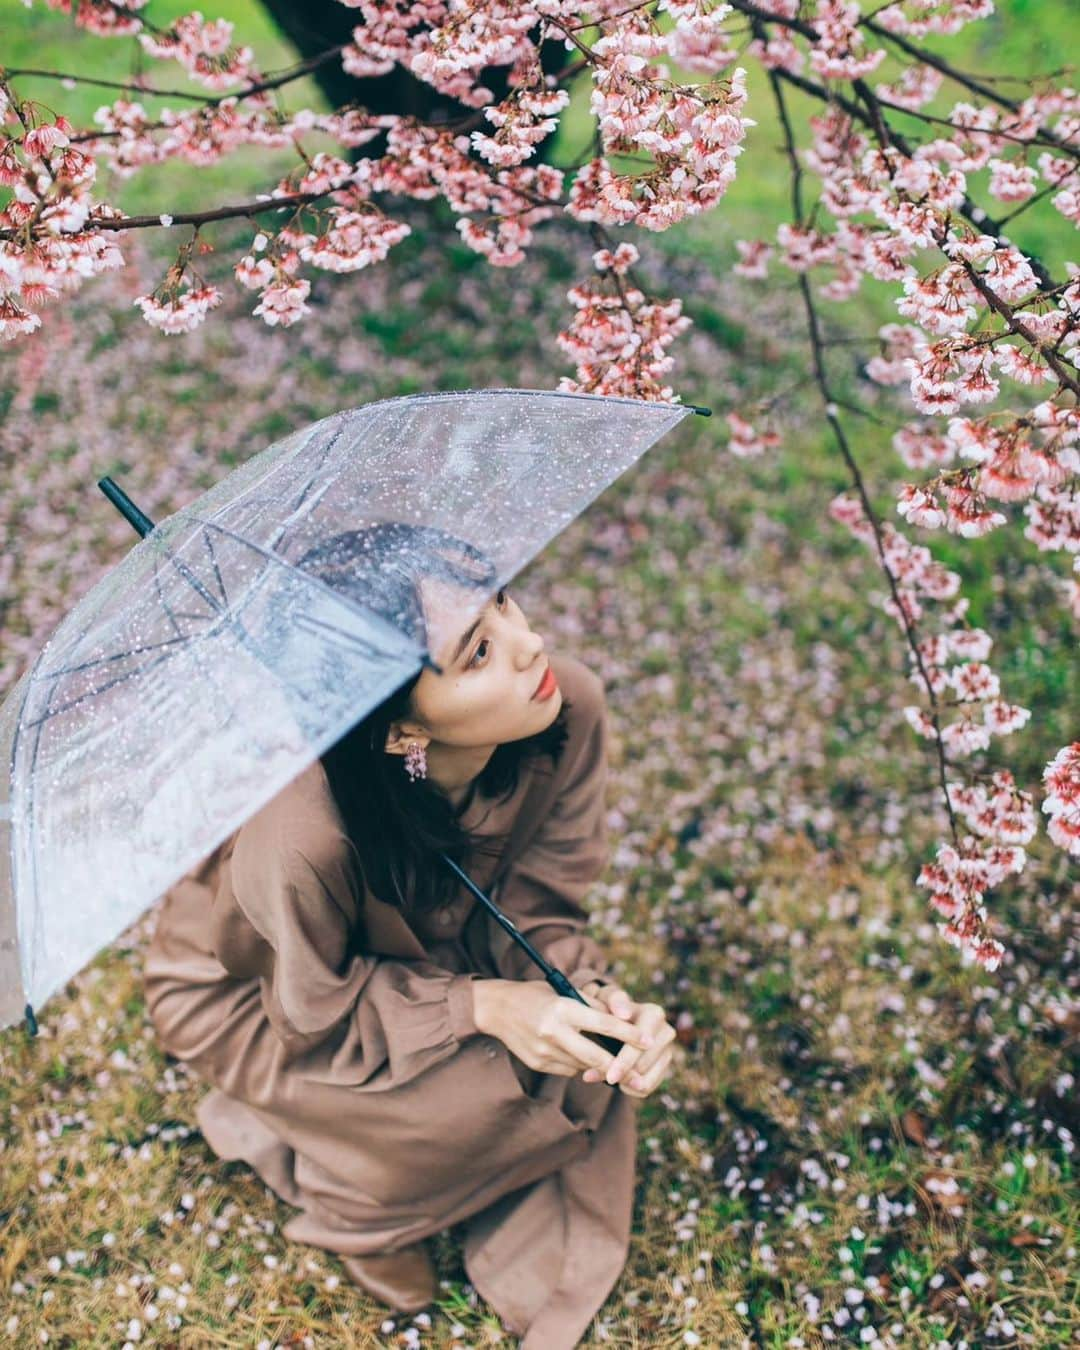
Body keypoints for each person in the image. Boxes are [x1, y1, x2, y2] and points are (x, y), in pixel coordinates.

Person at [142, 523, 678, 1349]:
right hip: (263, 996)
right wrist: (482, 1006)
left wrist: (591, 996)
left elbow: (540, 906)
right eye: (476, 654)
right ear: (400, 731)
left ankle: (398, 1148)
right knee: (465, 1105)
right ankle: (352, 1205)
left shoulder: (566, 708)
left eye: (504, 605)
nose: (532, 645)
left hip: (427, 945)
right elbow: (312, 1015)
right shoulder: (299, 842)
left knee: (573, 1063)